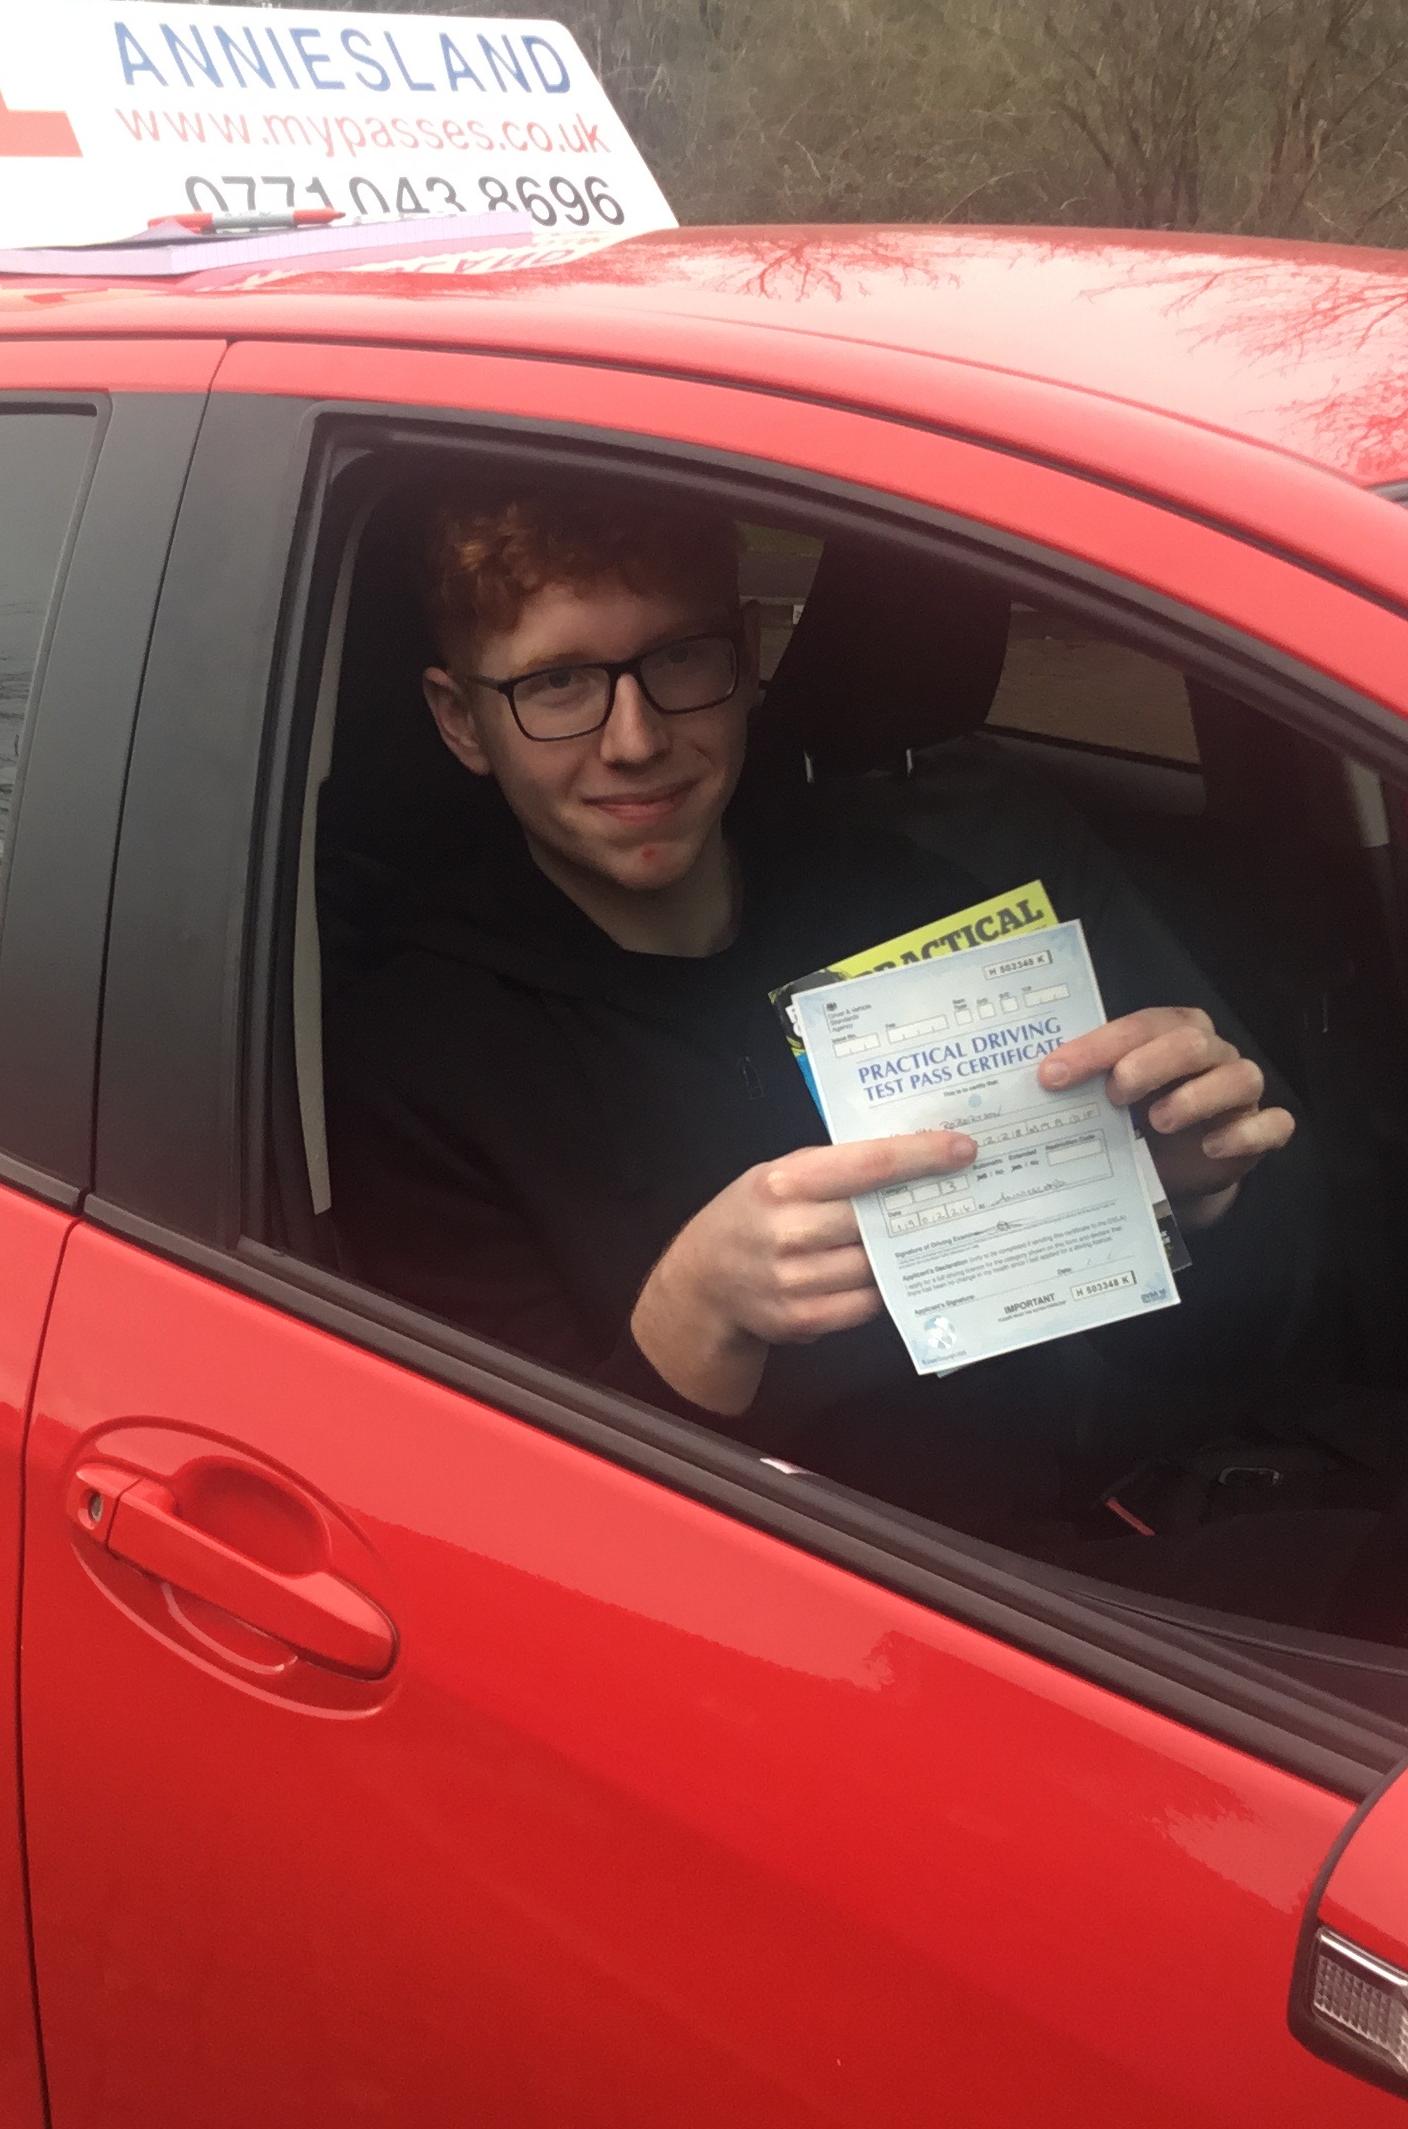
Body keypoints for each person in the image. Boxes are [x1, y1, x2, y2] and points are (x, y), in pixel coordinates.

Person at [325, 480, 1307, 1533]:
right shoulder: (416, 1059)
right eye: (558, 684)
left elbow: (1174, 1363)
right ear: (461, 720)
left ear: (744, 660)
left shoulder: (913, 908)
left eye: (678, 661)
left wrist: (1181, 1200)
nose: (634, 739)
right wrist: (693, 1318)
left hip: (1059, 1559)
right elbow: (520, 1542)